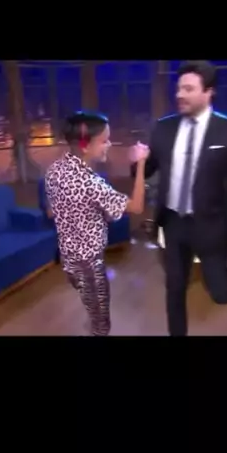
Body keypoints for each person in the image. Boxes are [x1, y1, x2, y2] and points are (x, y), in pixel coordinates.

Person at [130, 60, 227, 336]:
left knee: (222, 293)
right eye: (179, 88)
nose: (180, 95)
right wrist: (137, 161)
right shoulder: (163, 128)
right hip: (174, 223)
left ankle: (218, 281)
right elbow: (147, 170)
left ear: (209, 92)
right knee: (174, 288)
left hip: (211, 226)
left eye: (188, 89)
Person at [45, 110, 149, 336]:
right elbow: (137, 207)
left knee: (90, 304)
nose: (109, 145)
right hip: (90, 266)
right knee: (101, 324)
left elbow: (53, 211)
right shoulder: (92, 184)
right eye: (104, 141)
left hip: (68, 259)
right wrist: (141, 163)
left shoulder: (54, 171)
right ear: (85, 145)